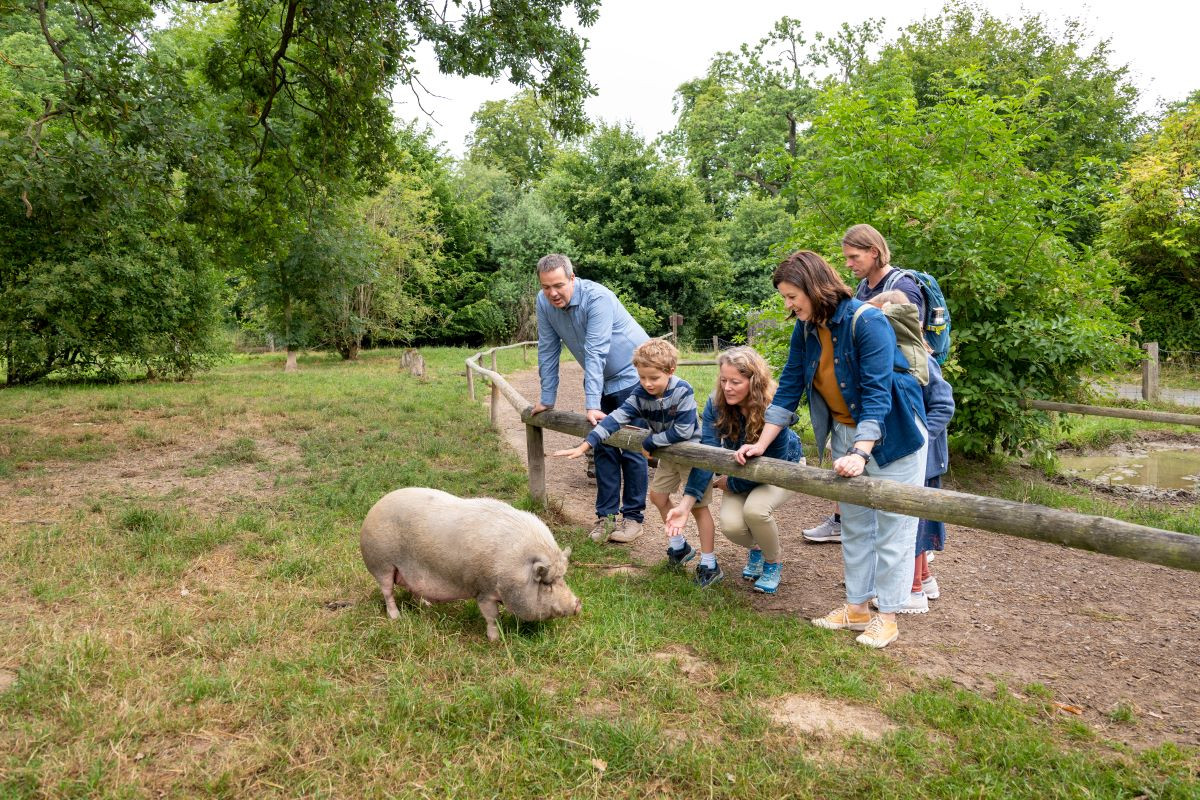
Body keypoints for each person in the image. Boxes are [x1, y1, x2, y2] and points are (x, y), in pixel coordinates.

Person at [735, 251, 928, 649]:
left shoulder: (867, 321)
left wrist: (861, 451)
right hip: (845, 435)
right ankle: (857, 609)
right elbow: (789, 387)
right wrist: (761, 443)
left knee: (893, 527)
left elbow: (878, 393)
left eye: (792, 296)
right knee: (855, 526)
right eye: (785, 298)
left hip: (893, 436)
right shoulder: (806, 330)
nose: (788, 306)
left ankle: (888, 616)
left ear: (813, 287)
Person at [552, 339, 721, 585]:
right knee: (658, 497)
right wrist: (586, 444)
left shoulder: (683, 390)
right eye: (642, 378)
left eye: (653, 378)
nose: (647, 384)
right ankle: (680, 547)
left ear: (670, 370)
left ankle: (709, 562)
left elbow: (684, 431)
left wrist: (650, 443)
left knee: (698, 507)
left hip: (692, 455)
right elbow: (616, 418)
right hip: (668, 456)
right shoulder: (641, 393)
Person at [801, 223, 925, 545]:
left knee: (896, 520)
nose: (849, 264)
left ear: (874, 251)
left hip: (893, 399)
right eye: (845, 258)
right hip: (856, 404)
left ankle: (915, 578)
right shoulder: (861, 288)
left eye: (854, 256)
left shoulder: (903, 285)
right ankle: (843, 522)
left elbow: (905, 340)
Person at [664, 347, 803, 594]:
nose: (727, 387)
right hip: (740, 471)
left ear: (754, 382)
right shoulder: (716, 405)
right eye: (723, 380)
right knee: (731, 526)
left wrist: (732, 484)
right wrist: (685, 506)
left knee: (756, 512)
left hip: (782, 470)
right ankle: (759, 549)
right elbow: (707, 456)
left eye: (735, 382)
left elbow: (774, 467)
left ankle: (773, 563)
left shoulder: (775, 408)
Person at [532, 254, 649, 544]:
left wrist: (592, 405)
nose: (552, 293)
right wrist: (547, 397)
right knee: (604, 448)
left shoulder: (597, 298)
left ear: (573, 278)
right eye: (546, 287)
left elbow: (595, 352)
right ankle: (606, 518)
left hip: (634, 376)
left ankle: (633, 519)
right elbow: (548, 349)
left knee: (632, 447)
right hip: (601, 380)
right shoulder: (544, 302)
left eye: (558, 285)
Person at [865, 291, 956, 614]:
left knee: (914, 524)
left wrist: (920, 438)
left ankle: (913, 590)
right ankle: (925, 578)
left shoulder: (923, 361)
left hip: (924, 459)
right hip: (909, 456)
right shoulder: (893, 359)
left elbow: (944, 405)